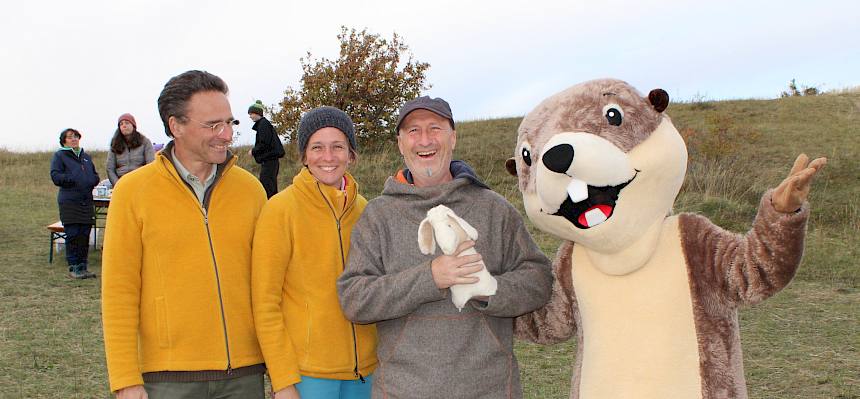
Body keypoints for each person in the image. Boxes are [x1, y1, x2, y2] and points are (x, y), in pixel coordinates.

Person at [337, 96, 553, 398]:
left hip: (489, 389)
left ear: (453, 137)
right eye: (413, 131)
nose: (424, 140)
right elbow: (354, 299)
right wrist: (430, 278)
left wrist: (489, 287)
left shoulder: (494, 209)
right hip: (403, 390)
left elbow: (539, 280)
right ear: (400, 143)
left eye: (435, 128)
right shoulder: (378, 217)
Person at [101, 70, 268, 399]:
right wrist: (125, 379)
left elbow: (270, 286)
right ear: (175, 125)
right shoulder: (132, 192)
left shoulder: (251, 191)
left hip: (246, 375)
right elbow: (118, 292)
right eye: (212, 125)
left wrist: (279, 366)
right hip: (166, 378)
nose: (225, 135)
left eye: (230, 123)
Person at [253, 106, 376, 399]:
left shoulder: (367, 210)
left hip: (367, 373)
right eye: (317, 147)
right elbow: (264, 303)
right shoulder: (280, 210)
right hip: (308, 375)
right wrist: (282, 380)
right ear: (304, 155)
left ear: (351, 154)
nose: (328, 157)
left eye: (338, 147)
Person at [50, 128, 100, 279]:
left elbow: (94, 175)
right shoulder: (60, 156)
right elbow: (55, 176)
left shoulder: (85, 156)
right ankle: (73, 267)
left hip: (86, 201)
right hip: (69, 201)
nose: (74, 139)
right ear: (64, 140)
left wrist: (92, 180)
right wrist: (74, 179)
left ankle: (83, 267)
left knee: (84, 234)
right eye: (70, 137)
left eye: (76, 136)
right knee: (73, 234)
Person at [106, 113, 155, 187]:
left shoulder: (145, 142)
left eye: (127, 123)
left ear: (133, 125)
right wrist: (118, 185)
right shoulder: (115, 144)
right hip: (121, 182)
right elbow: (110, 168)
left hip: (140, 182)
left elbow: (151, 165)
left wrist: (144, 183)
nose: (124, 126)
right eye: (121, 124)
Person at [248, 100, 284, 198]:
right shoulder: (263, 124)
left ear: (257, 113)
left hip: (270, 161)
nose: (250, 116)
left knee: (267, 187)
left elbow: (264, 143)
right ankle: (273, 207)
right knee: (269, 186)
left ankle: (270, 208)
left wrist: (253, 151)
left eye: (251, 114)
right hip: (270, 161)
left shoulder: (263, 125)